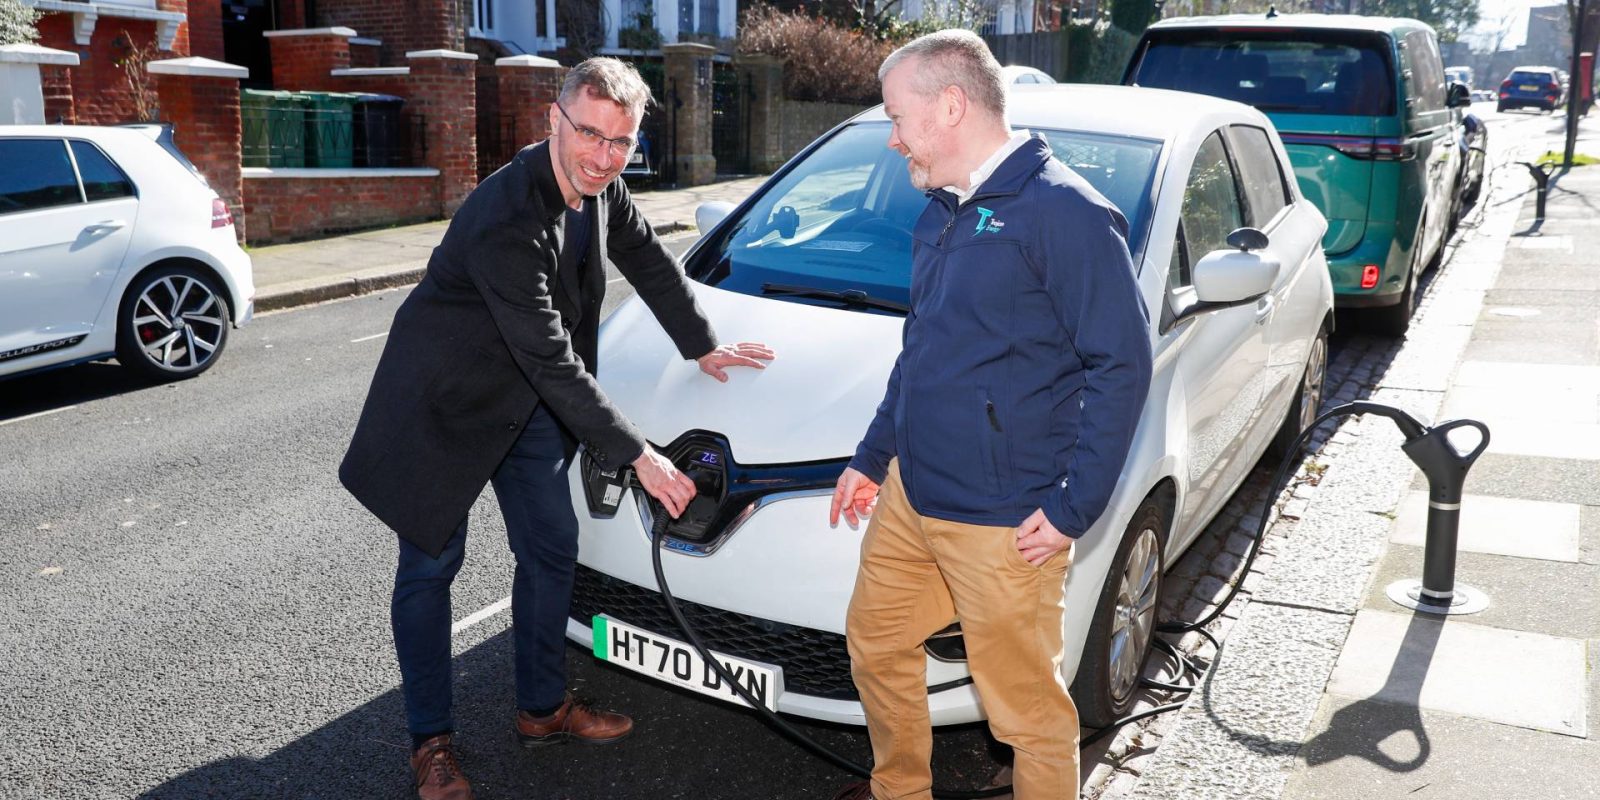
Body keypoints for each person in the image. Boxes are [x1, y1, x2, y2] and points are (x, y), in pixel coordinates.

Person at [339, 58, 774, 800]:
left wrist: (702, 345)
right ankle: (431, 745)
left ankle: (541, 709)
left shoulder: (604, 191)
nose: (604, 155)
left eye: (622, 142)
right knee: (430, 569)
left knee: (550, 546)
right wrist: (641, 456)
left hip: (526, 401)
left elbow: (651, 262)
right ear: (553, 120)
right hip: (444, 404)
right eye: (590, 135)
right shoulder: (506, 217)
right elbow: (552, 359)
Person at [827, 31, 1152, 800]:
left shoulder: (1066, 212)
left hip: (1006, 523)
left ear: (951, 105)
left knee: (1026, 716)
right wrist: (874, 457)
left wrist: (1075, 507)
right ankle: (898, 789)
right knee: (875, 644)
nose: (894, 136)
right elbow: (923, 351)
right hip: (914, 494)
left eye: (898, 116)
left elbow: (1122, 364)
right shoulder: (941, 210)